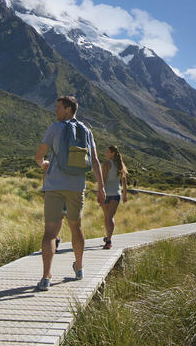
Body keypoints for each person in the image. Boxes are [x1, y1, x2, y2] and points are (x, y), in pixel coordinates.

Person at [34, 96, 105, 291]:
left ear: (67, 109)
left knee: (50, 233)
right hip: (77, 186)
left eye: (58, 108)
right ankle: (79, 269)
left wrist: (43, 164)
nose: (55, 111)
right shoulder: (87, 130)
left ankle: (46, 277)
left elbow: (39, 155)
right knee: (77, 227)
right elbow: (96, 160)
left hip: (54, 186)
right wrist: (101, 187)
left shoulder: (55, 128)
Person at [100, 145, 128, 249]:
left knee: (107, 217)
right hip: (116, 194)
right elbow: (124, 181)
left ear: (112, 153)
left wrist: (99, 192)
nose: (105, 153)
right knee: (110, 217)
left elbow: (102, 180)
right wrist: (125, 194)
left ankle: (109, 240)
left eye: (107, 152)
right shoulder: (120, 164)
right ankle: (108, 237)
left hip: (106, 194)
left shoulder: (107, 164)